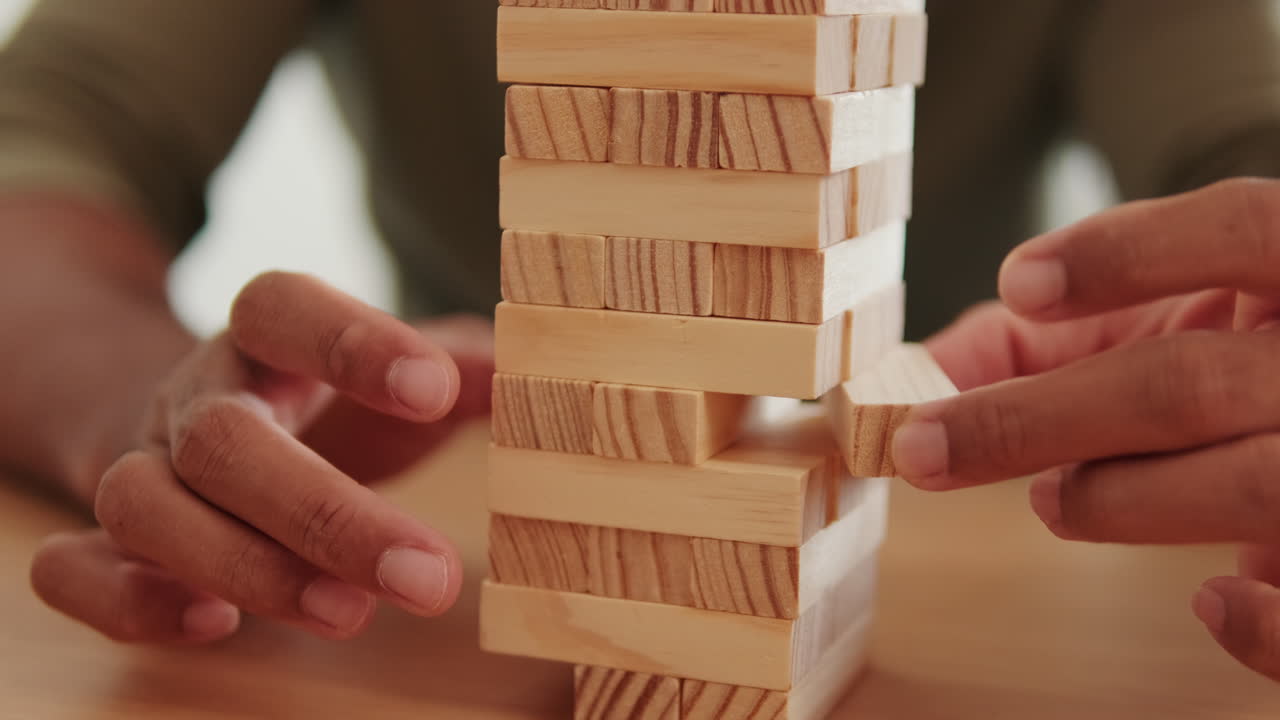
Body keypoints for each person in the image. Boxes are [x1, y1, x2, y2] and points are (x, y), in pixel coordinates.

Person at [2, 0, 1280, 683]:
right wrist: (149, 408)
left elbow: (1251, 160)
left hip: (935, 503)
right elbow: (47, 132)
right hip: (490, 489)